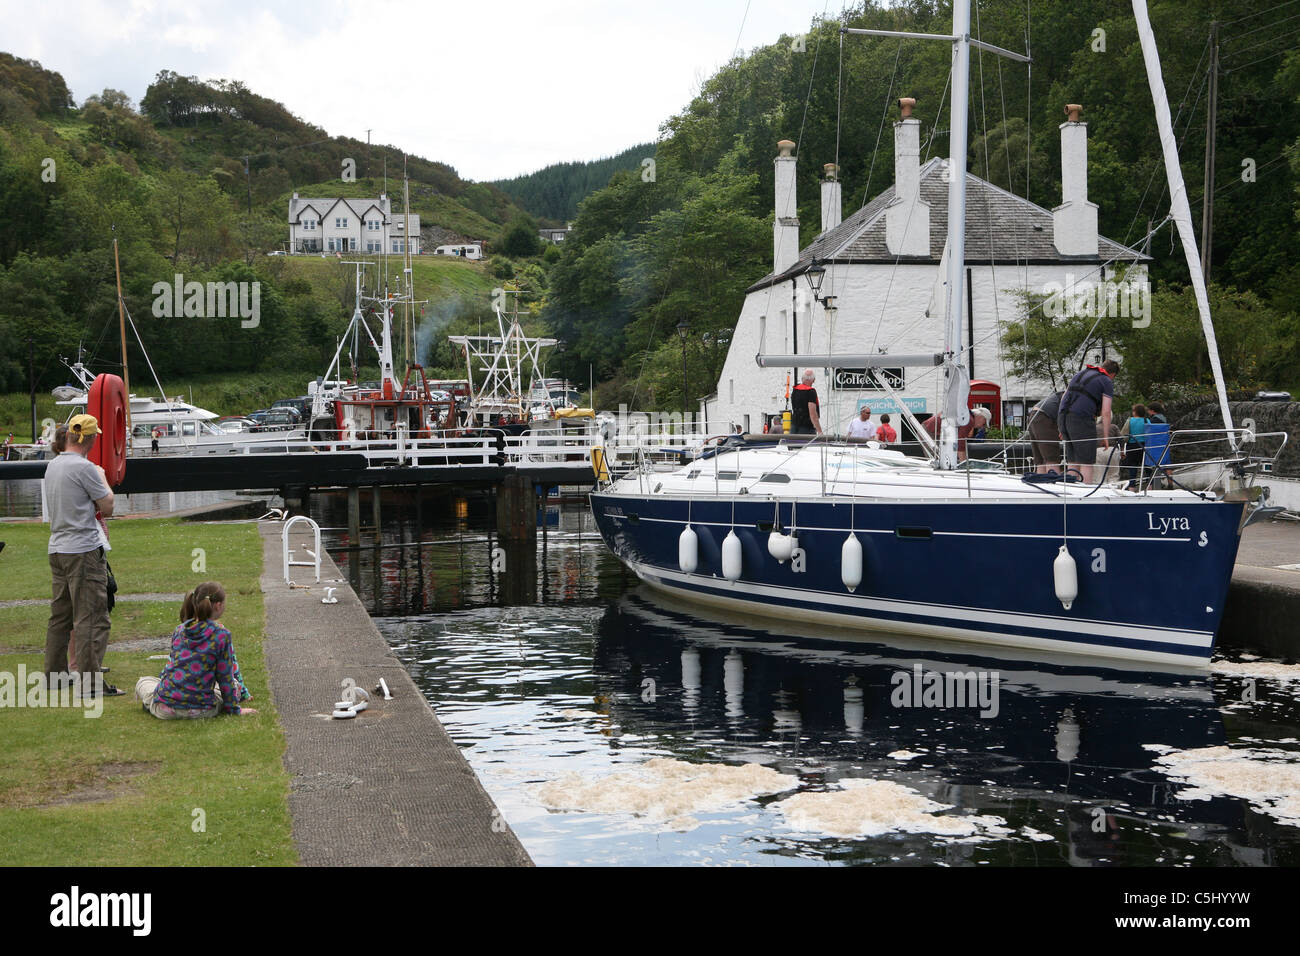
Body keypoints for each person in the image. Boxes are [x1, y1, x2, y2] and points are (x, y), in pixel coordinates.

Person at [43, 414, 120, 696]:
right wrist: (101, 477)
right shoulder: (85, 468)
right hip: (83, 550)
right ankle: (90, 684)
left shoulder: (53, 465)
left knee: (60, 617)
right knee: (91, 617)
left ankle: (54, 676)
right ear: (89, 438)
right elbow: (107, 506)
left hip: (58, 547)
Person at [135, 582, 256, 719]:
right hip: (202, 709)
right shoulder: (221, 635)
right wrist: (234, 709)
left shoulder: (180, 630)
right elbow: (225, 677)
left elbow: (171, 667)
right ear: (218, 605)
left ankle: (153, 703)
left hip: (166, 708)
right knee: (234, 684)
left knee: (143, 682)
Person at [1057, 359, 1118, 484]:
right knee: (1087, 461)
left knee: (1073, 460)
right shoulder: (1106, 381)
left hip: (1063, 416)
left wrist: (1060, 427)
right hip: (1081, 418)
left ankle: (1070, 492)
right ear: (1113, 375)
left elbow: (1064, 397)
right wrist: (1106, 437)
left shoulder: (1080, 374)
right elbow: (1106, 412)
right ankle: (1084, 496)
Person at [922, 407, 991, 462]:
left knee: (942, 459)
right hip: (929, 431)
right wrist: (964, 464)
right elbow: (961, 443)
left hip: (932, 430)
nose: (981, 427)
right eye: (984, 424)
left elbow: (958, 441)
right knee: (936, 460)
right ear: (981, 417)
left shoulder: (966, 415)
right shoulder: (969, 420)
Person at [1027, 391, 1064, 473]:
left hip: (1033, 415)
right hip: (1043, 416)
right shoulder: (1071, 394)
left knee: (1040, 459)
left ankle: (1042, 481)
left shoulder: (1059, 395)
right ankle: (1053, 482)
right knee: (1051, 457)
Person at [1120, 403, 1150, 488]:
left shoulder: (1130, 420)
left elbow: (1124, 435)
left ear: (1135, 412)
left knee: (1132, 470)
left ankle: (1131, 489)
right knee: (1147, 469)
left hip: (1132, 446)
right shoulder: (1147, 421)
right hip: (1145, 446)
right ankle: (1150, 488)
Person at [790, 370, 822, 435]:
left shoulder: (795, 389)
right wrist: (819, 431)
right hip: (807, 428)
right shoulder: (811, 392)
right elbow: (813, 414)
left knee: (793, 444)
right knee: (808, 445)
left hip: (794, 426)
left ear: (802, 379)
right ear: (813, 380)